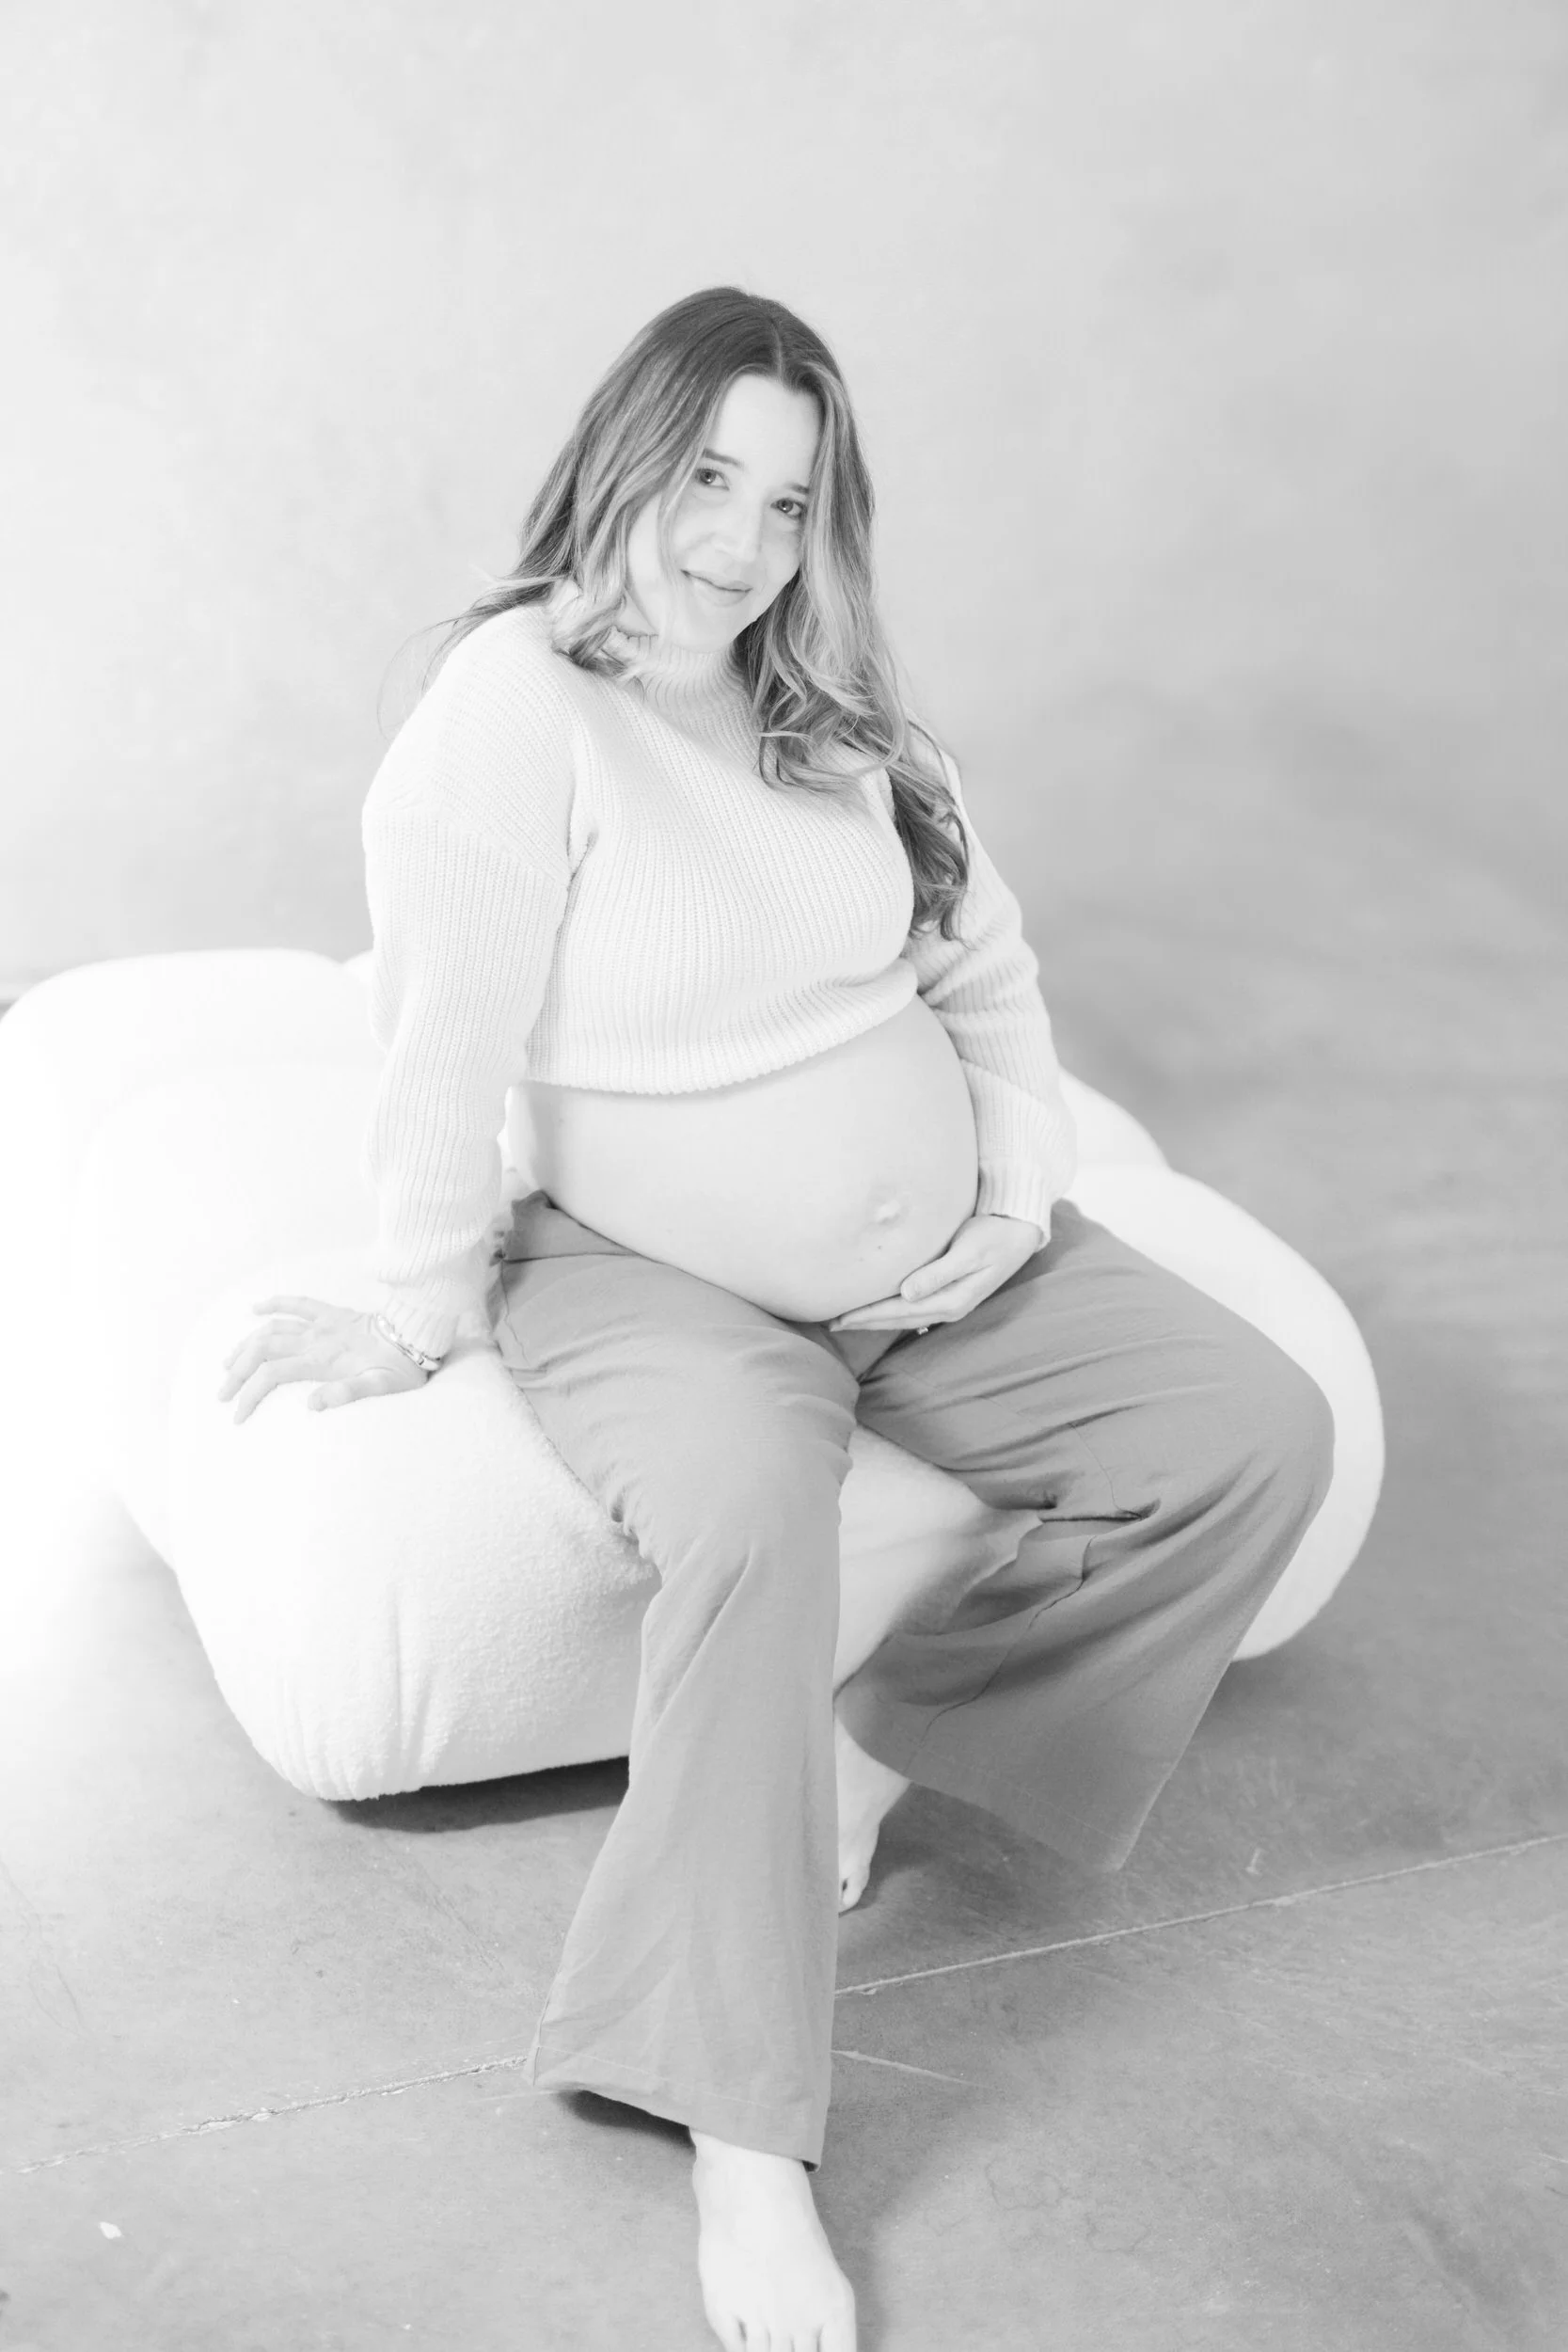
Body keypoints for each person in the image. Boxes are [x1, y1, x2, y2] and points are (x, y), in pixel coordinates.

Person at [215, 285, 1335, 2352]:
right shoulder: (515, 707)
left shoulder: (835, 716)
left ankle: (871, 1755)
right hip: (642, 1270)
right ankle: (739, 2137)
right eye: (706, 479)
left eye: (789, 501)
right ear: (620, 464)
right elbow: (441, 1040)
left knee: (1252, 1432)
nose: (739, 540)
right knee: (748, 1510)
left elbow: (985, 978)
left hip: (933, 1271)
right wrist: (414, 1305)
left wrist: (1008, 1200)